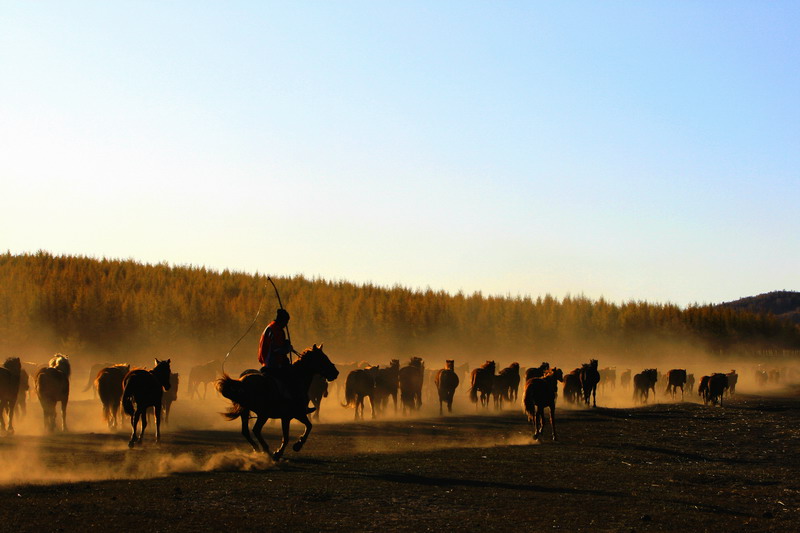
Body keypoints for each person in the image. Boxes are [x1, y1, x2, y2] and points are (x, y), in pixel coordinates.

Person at [258, 309, 315, 414]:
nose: (286, 324)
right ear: (282, 320)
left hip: (266, 361)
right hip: (274, 363)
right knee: (295, 380)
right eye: (286, 322)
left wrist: (285, 344)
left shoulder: (270, 327)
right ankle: (297, 406)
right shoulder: (276, 330)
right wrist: (287, 348)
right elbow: (276, 349)